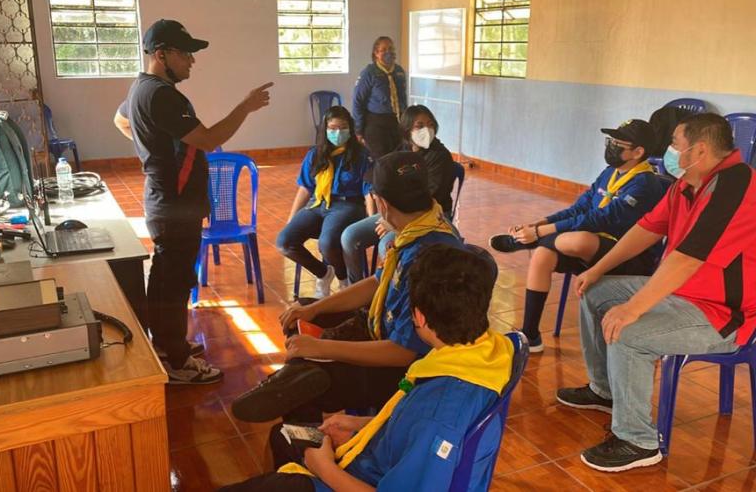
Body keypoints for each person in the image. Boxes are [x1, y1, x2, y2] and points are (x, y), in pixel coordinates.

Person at [219, 244, 512, 492]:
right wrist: (367, 425)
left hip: (356, 477)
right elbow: (413, 424)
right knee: (285, 436)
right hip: (377, 454)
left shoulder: (438, 413)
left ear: (419, 317)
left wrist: (324, 468)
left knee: (288, 448)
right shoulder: (488, 352)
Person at [557, 113, 756, 472]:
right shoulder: (687, 184)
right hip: (680, 292)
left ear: (699, 149)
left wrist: (633, 308)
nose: (668, 153)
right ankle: (605, 391)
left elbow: (688, 259)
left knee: (628, 332)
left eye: (675, 145)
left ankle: (637, 441)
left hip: (722, 314)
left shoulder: (736, 185)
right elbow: (646, 229)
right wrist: (596, 269)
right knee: (597, 293)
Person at [231, 152, 465, 424]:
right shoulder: (419, 229)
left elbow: (403, 352)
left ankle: (306, 441)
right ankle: (295, 378)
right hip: (380, 329)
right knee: (306, 311)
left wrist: (323, 348)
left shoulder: (429, 258)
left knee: (310, 377)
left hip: (406, 373)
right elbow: (378, 283)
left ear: (382, 204)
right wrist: (316, 308)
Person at [113, 19, 272, 384]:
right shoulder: (162, 95)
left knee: (170, 278)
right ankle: (176, 362)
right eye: (185, 53)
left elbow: (119, 121)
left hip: (167, 202)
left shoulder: (141, 89)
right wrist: (245, 107)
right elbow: (210, 138)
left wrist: (150, 148)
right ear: (161, 54)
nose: (191, 61)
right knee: (173, 282)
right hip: (174, 205)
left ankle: (170, 346)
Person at [488, 119, 667, 352]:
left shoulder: (645, 183)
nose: (610, 146)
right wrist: (541, 222)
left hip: (626, 257)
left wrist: (539, 232)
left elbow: (601, 218)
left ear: (638, 151)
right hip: (592, 248)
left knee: (575, 238)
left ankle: (526, 242)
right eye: (610, 141)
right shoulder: (610, 173)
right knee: (543, 254)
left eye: (617, 143)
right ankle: (530, 336)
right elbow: (580, 208)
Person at [341, 104, 457, 284]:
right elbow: (379, 176)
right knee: (350, 236)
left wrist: (395, 222)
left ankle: (394, 295)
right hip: (395, 212)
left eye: (430, 124)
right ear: (407, 130)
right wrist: (382, 209)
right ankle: (355, 292)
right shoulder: (402, 150)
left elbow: (429, 199)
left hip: (430, 217)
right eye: (419, 126)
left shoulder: (440, 156)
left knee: (386, 245)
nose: (426, 130)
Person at [276, 106, 373, 298]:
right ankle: (323, 273)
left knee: (327, 242)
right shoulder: (316, 154)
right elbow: (305, 188)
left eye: (343, 128)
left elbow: (369, 192)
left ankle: (343, 280)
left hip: (348, 205)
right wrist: (291, 218)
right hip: (317, 204)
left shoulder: (361, 155)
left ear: (351, 129)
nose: (338, 133)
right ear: (325, 130)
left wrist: (371, 221)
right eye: (333, 128)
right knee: (285, 241)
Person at [352, 36, 407, 159]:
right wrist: (358, 130)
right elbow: (358, 101)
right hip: (376, 124)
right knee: (381, 160)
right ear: (376, 53)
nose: (389, 52)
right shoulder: (369, 72)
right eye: (384, 49)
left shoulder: (399, 71)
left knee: (397, 158)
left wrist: (406, 122)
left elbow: (403, 99)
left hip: (396, 122)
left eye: (391, 48)